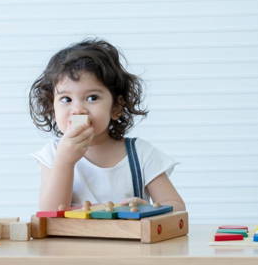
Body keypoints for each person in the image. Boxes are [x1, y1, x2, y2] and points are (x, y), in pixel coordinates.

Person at [29, 38, 186, 212]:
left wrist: (149, 210)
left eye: (92, 98)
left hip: (128, 238)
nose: (78, 110)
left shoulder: (141, 154)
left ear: (116, 107)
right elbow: (48, 215)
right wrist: (64, 162)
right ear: (52, 108)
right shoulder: (52, 155)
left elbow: (177, 209)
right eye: (66, 99)